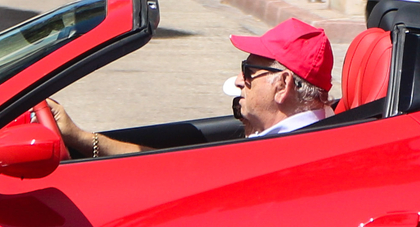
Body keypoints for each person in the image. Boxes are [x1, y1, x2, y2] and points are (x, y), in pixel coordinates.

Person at [48, 18, 334, 158]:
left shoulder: (285, 153)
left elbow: (176, 176)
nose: (237, 81)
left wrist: (81, 138)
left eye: (248, 72)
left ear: (282, 85)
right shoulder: (290, 141)